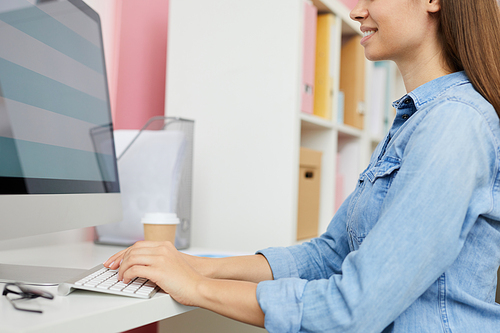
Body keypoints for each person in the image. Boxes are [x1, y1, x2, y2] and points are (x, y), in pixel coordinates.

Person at [104, 0, 500, 331]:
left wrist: (196, 288)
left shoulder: (455, 123)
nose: (356, 11)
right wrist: (201, 268)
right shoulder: (419, 120)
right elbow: (330, 255)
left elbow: (353, 309)